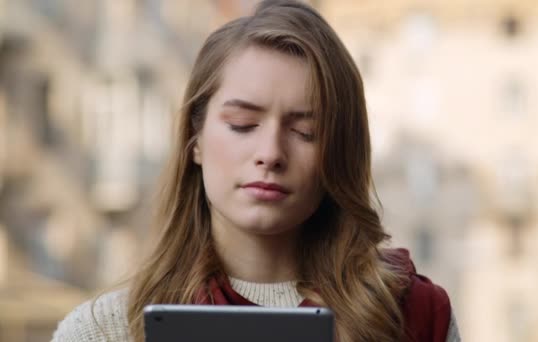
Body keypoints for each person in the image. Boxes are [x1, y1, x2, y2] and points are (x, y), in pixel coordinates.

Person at [52, 1, 461, 341]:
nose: (270, 153)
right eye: (243, 125)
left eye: (305, 131)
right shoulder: (103, 331)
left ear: (339, 151)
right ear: (195, 139)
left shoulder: (415, 316)